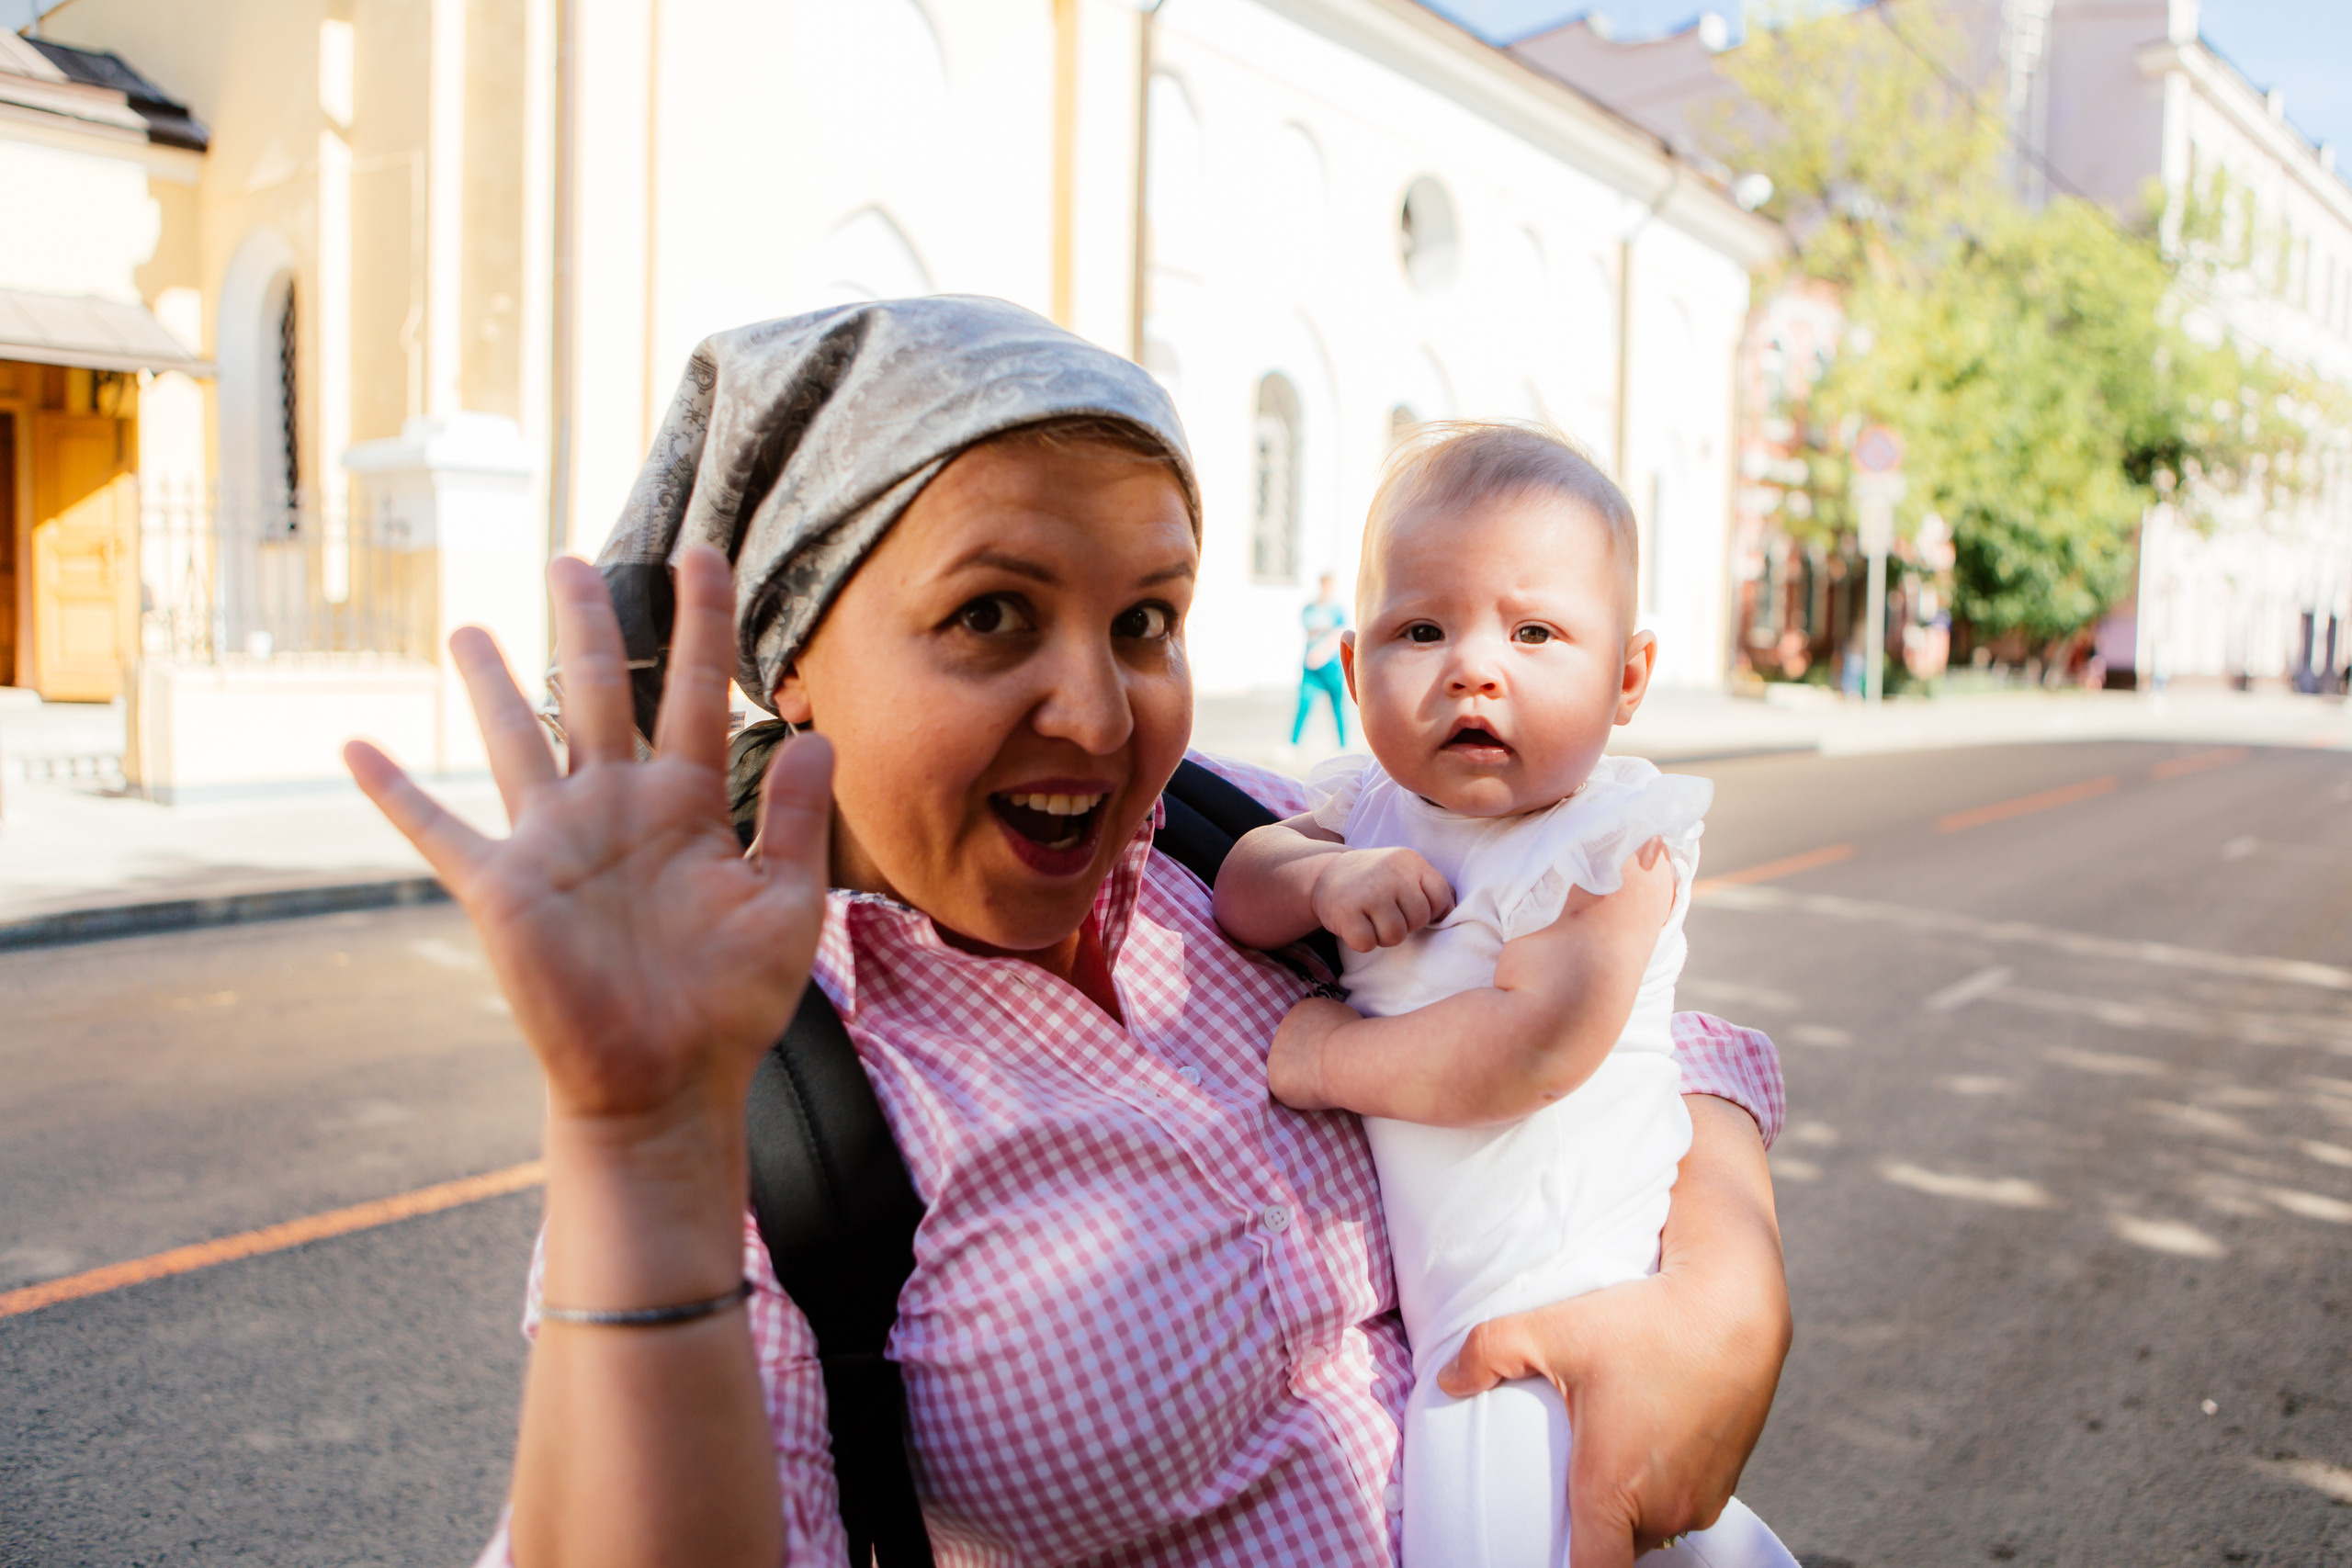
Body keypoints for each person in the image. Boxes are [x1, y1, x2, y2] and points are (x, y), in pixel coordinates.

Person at [344, 297, 1792, 1568]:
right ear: (794, 664)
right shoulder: (759, 1109)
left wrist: (1726, 1283)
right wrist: (635, 1147)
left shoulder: (1249, 833)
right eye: (990, 613)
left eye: (1146, 620)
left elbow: (1646, 1016)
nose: (1098, 717)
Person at [1216, 424, 1795, 1567]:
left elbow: (1535, 1044)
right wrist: (1323, 879)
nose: (1473, 668)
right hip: (1464, 1319)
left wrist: (1323, 1057)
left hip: (1563, 1304)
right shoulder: (1360, 810)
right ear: (1349, 664)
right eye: (1420, 630)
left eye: (1534, 633)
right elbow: (1239, 889)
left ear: (1627, 678)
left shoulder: (1607, 844)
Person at [1295, 570, 1351, 747]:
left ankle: (1343, 745)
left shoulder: (1337, 610)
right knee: (1304, 705)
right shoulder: (1309, 609)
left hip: (1332, 667)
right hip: (1311, 668)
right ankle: (1293, 743)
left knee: (1338, 708)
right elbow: (1309, 632)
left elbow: (1337, 635)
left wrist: (1321, 655)